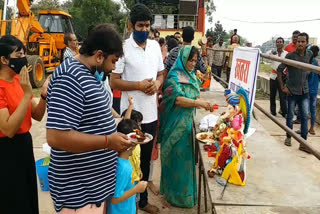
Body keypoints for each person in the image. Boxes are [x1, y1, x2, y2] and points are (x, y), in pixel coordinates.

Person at [46, 24, 134, 213]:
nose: (113, 67)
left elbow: (90, 118)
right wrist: (107, 141)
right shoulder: (70, 77)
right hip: (78, 194)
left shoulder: (87, 74)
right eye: (113, 60)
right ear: (99, 55)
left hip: (92, 190)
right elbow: (56, 137)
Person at [110, 3, 164, 213]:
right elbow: (114, 82)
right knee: (128, 159)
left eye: (147, 26)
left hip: (150, 114)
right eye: (140, 26)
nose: (143, 30)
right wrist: (138, 85)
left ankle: (142, 201)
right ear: (130, 25)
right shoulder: (123, 49)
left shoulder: (154, 47)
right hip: (130, 117)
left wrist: (157, 85)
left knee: (145, 159)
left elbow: (160, 74)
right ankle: (125, 199)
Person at [0, 35, 50, 214]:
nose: (23, 59)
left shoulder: (18, 81)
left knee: (27, 197)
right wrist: (28, 94)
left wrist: (43, 95)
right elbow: (8, 129)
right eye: (18, 55)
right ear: (4, 59)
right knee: (12, 200)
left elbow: (36, 115)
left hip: (24, 145)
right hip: (6, 151)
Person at [159, 46, 213, 208]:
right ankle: (173, 196)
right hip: (174, 125)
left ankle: (186, 196)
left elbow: (196, 90)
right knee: (175, 160)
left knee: (186, 162)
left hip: (187, 125)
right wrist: (199, 103)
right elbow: (178, 100)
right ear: (183, 58)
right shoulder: (173, 77)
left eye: (195, 60)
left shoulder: (191, 75)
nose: (192, 63)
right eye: (190, 60)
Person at [277, 32, 312, 153]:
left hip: (304, 91)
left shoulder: (309, 54)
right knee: (290, 116)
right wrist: (283, 87)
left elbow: (310, 68)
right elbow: (279, 70)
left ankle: (303, 142)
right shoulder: (290, 56)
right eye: (299, 41)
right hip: (292, 91)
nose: (300, 44)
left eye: (303, 41)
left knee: (304, 116)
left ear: (307, 43)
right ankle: (288, 137)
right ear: (295, 43)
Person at [268, 37, 288, 117]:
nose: (279, 43)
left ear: (283, 43)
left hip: (282, 76)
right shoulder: (272, 52)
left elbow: (288, 65)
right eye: (278, 42)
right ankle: (273, 111)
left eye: (281, 42)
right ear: (276, 43)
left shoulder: (286, 54)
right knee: (272, 95)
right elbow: (267, 57)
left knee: (282, 95)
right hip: (273, 76)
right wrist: (271, 54)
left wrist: (287, 74)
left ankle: (284, 112)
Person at [307, 45, 320, 135]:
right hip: (315, 89)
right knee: (313, 109)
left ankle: (302, 128)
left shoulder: (308, 63)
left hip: (306, 89)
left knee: (305, 109)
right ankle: (311, 128)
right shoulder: (317, 63)